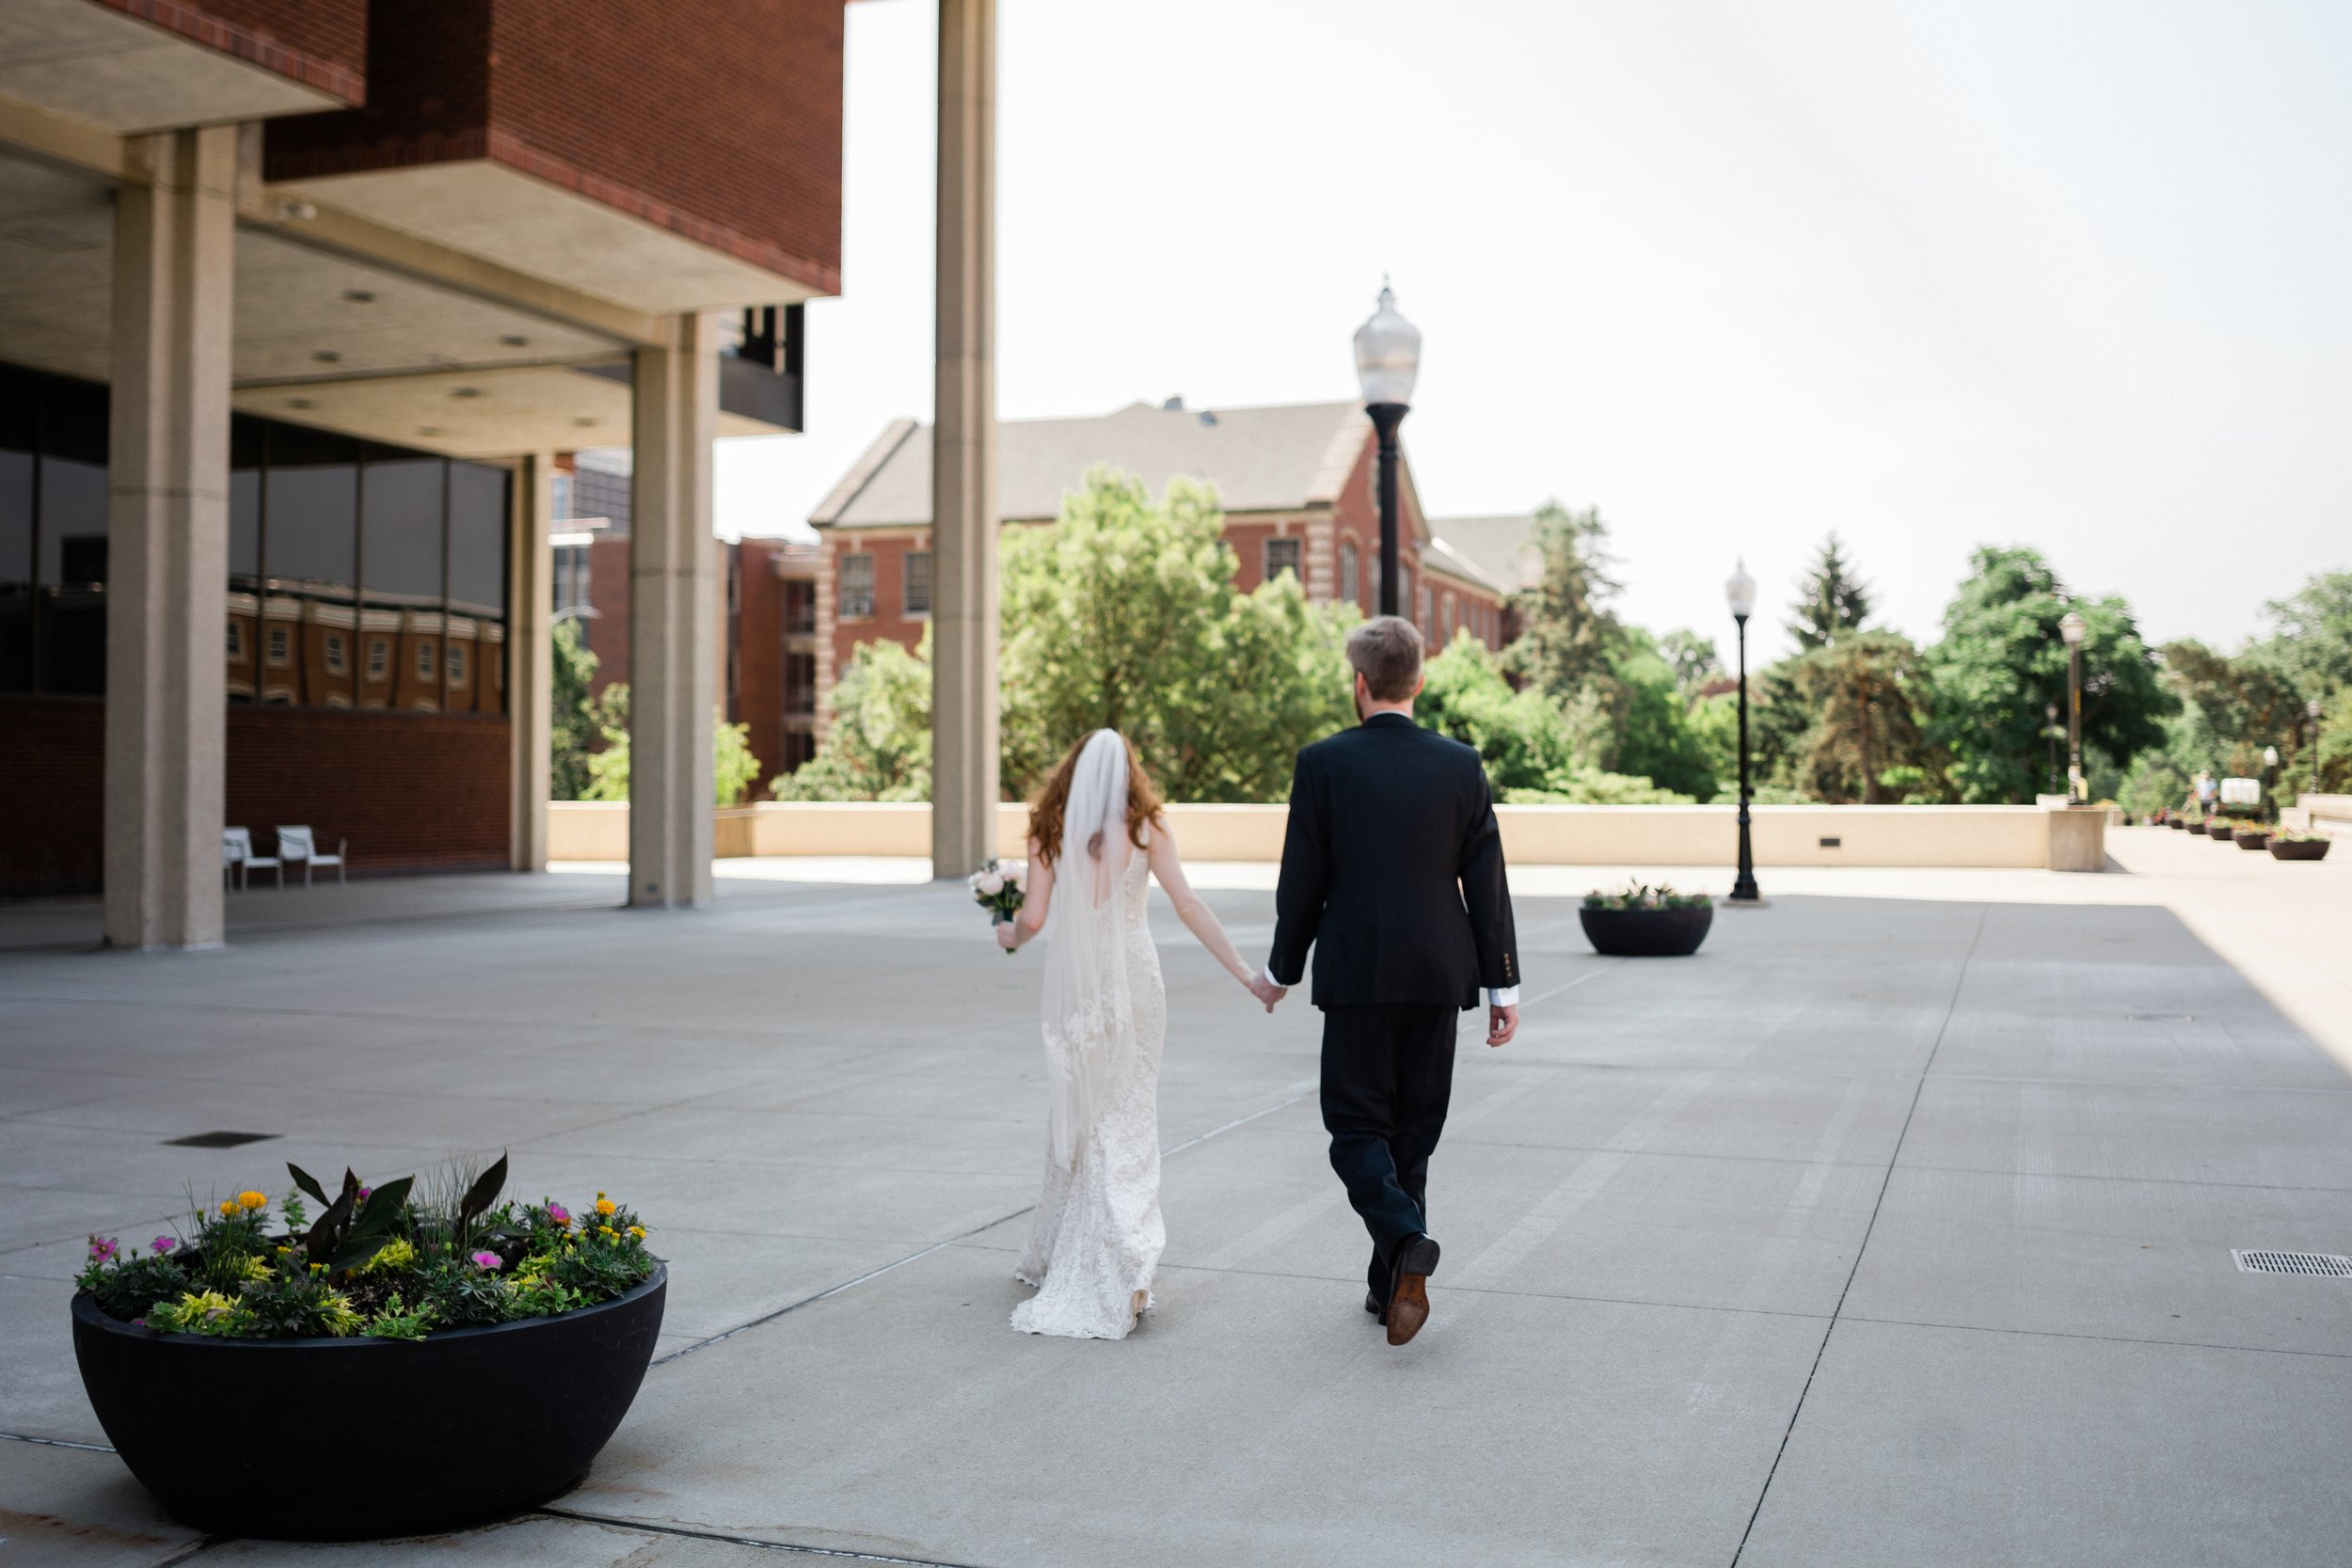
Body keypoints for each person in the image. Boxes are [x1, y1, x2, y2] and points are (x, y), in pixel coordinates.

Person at [1260, 616, 1521, 1347]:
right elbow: (1487, 884)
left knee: (1354, 1127)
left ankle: (1406, 1238)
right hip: (1442, 970)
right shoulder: (1461, 763)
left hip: (1358, 971)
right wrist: (1505, 988)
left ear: (1360, 683)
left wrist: (1283, 968)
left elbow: (1300, 884)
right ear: (1421, 681)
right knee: (1412, 1131)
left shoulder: (1322, 763)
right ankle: (1390, 1287)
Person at [994, 729, 1277, 1339]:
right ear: (1128, 774)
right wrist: (1245, 974)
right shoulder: (1147, 826)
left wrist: (1004, 926)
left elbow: (1033, 920)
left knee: (1084, 1111)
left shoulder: (1049, 830)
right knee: (1128, 1112)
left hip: (1080, 987)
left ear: (1071, 771)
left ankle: (1078, 1251)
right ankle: (1125, 1256)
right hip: (1137, 984)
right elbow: (1189, 905)